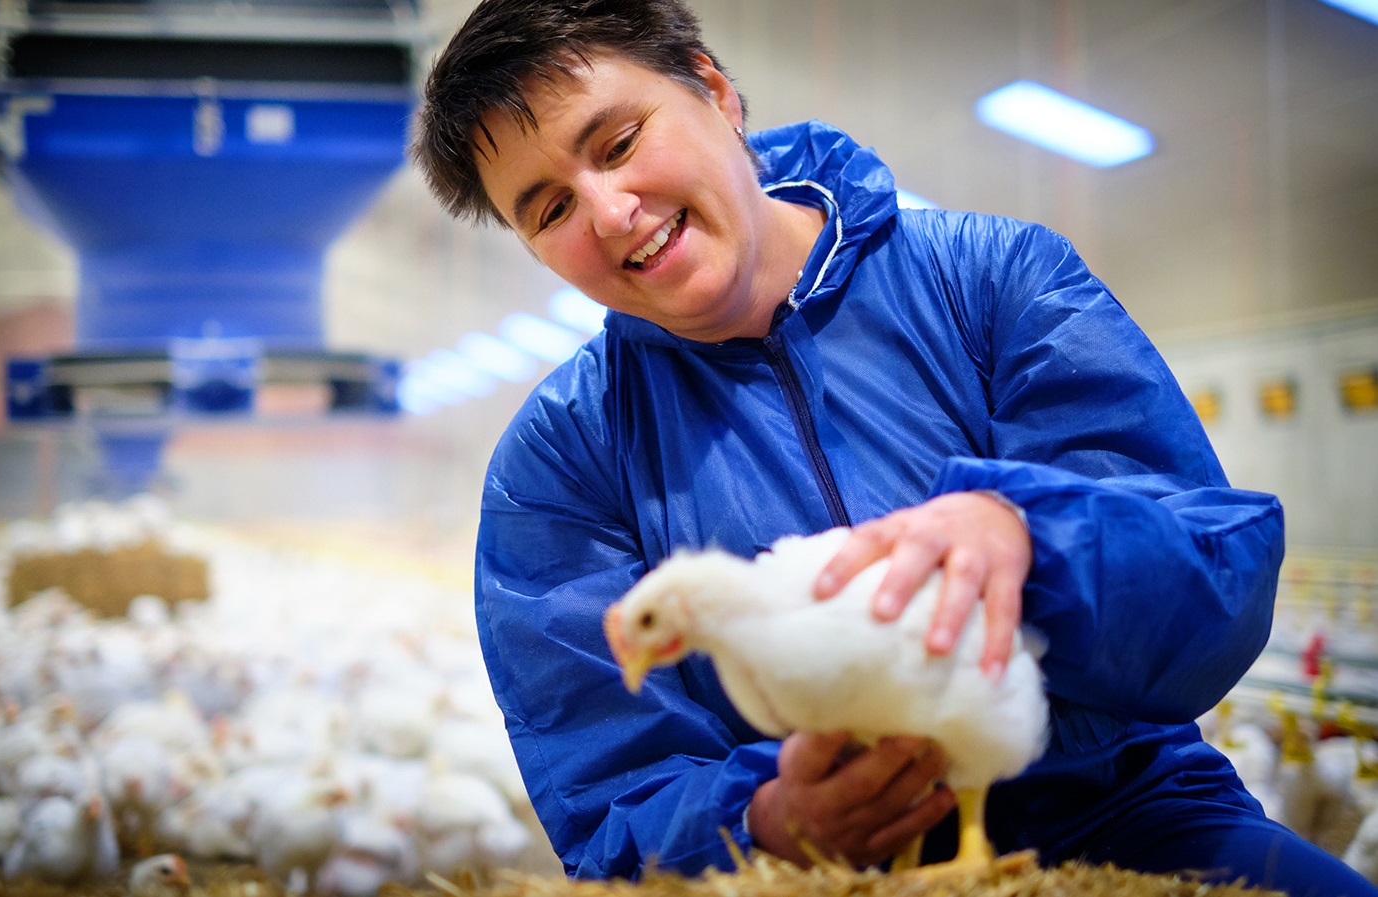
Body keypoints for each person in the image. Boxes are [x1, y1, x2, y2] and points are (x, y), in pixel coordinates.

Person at [411, 1, 1375, 894]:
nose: (609, 211)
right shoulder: (562, 461)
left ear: (714, 91)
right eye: (547, 208)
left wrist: (1031, 537)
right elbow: (607, 788)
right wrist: (765, 818)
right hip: (807, 872)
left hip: (1129, 809)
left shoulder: (990, 280)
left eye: (619, 143)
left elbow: (1216, 580)